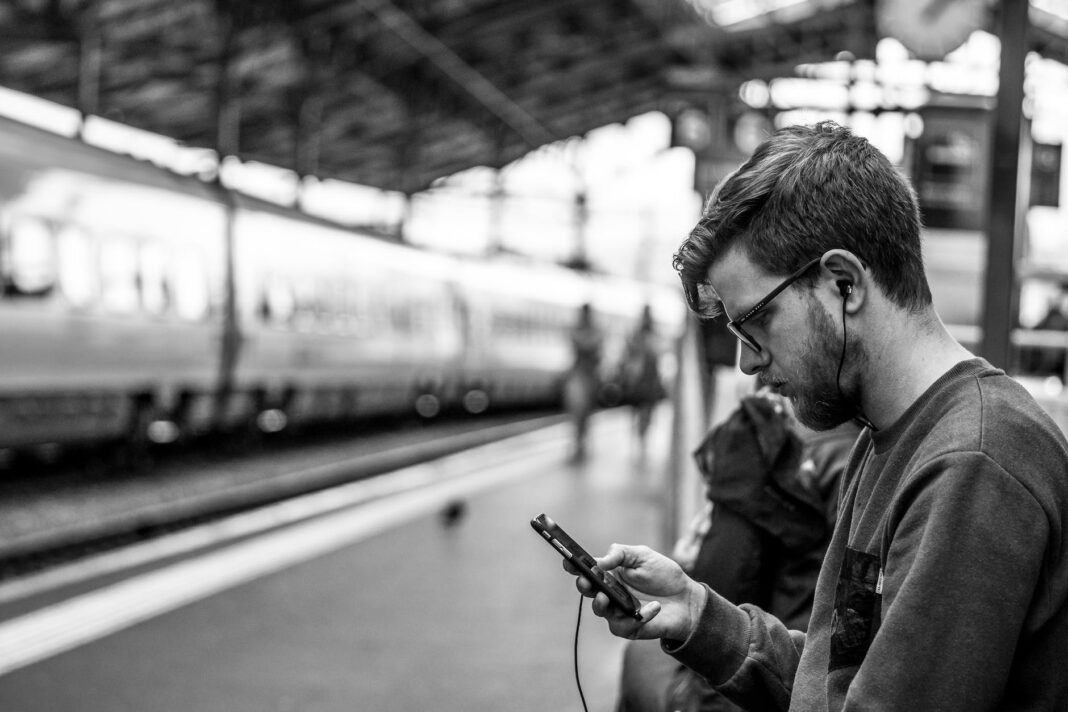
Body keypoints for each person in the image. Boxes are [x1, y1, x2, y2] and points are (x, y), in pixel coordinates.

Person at [565, 121, 1068, 711]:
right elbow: (841, 679)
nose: (747, 364)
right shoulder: (894, 435)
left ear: (843, 283)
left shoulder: (972, 464)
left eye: (755, 324)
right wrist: (697, 614)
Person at [617, 392, 858, 712]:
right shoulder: (874, 449)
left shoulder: (759, 435)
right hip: (823, 671)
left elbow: (726, 573)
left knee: (639, 658)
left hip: (756, 680)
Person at [620, 305, 666, 457]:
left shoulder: (649, 336)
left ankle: (642, 438)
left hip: (649, 380)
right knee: (639, 409)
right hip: (641, 380)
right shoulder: (639, 336)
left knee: (646, 410)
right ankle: (639, 438)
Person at [565, 302, 604, 462]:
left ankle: (581, 440)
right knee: (578, 409)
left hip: (587, 374)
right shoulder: (589, 331)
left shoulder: (587, 331)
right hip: (582, 374)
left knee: (584, 410)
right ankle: (579, 440)